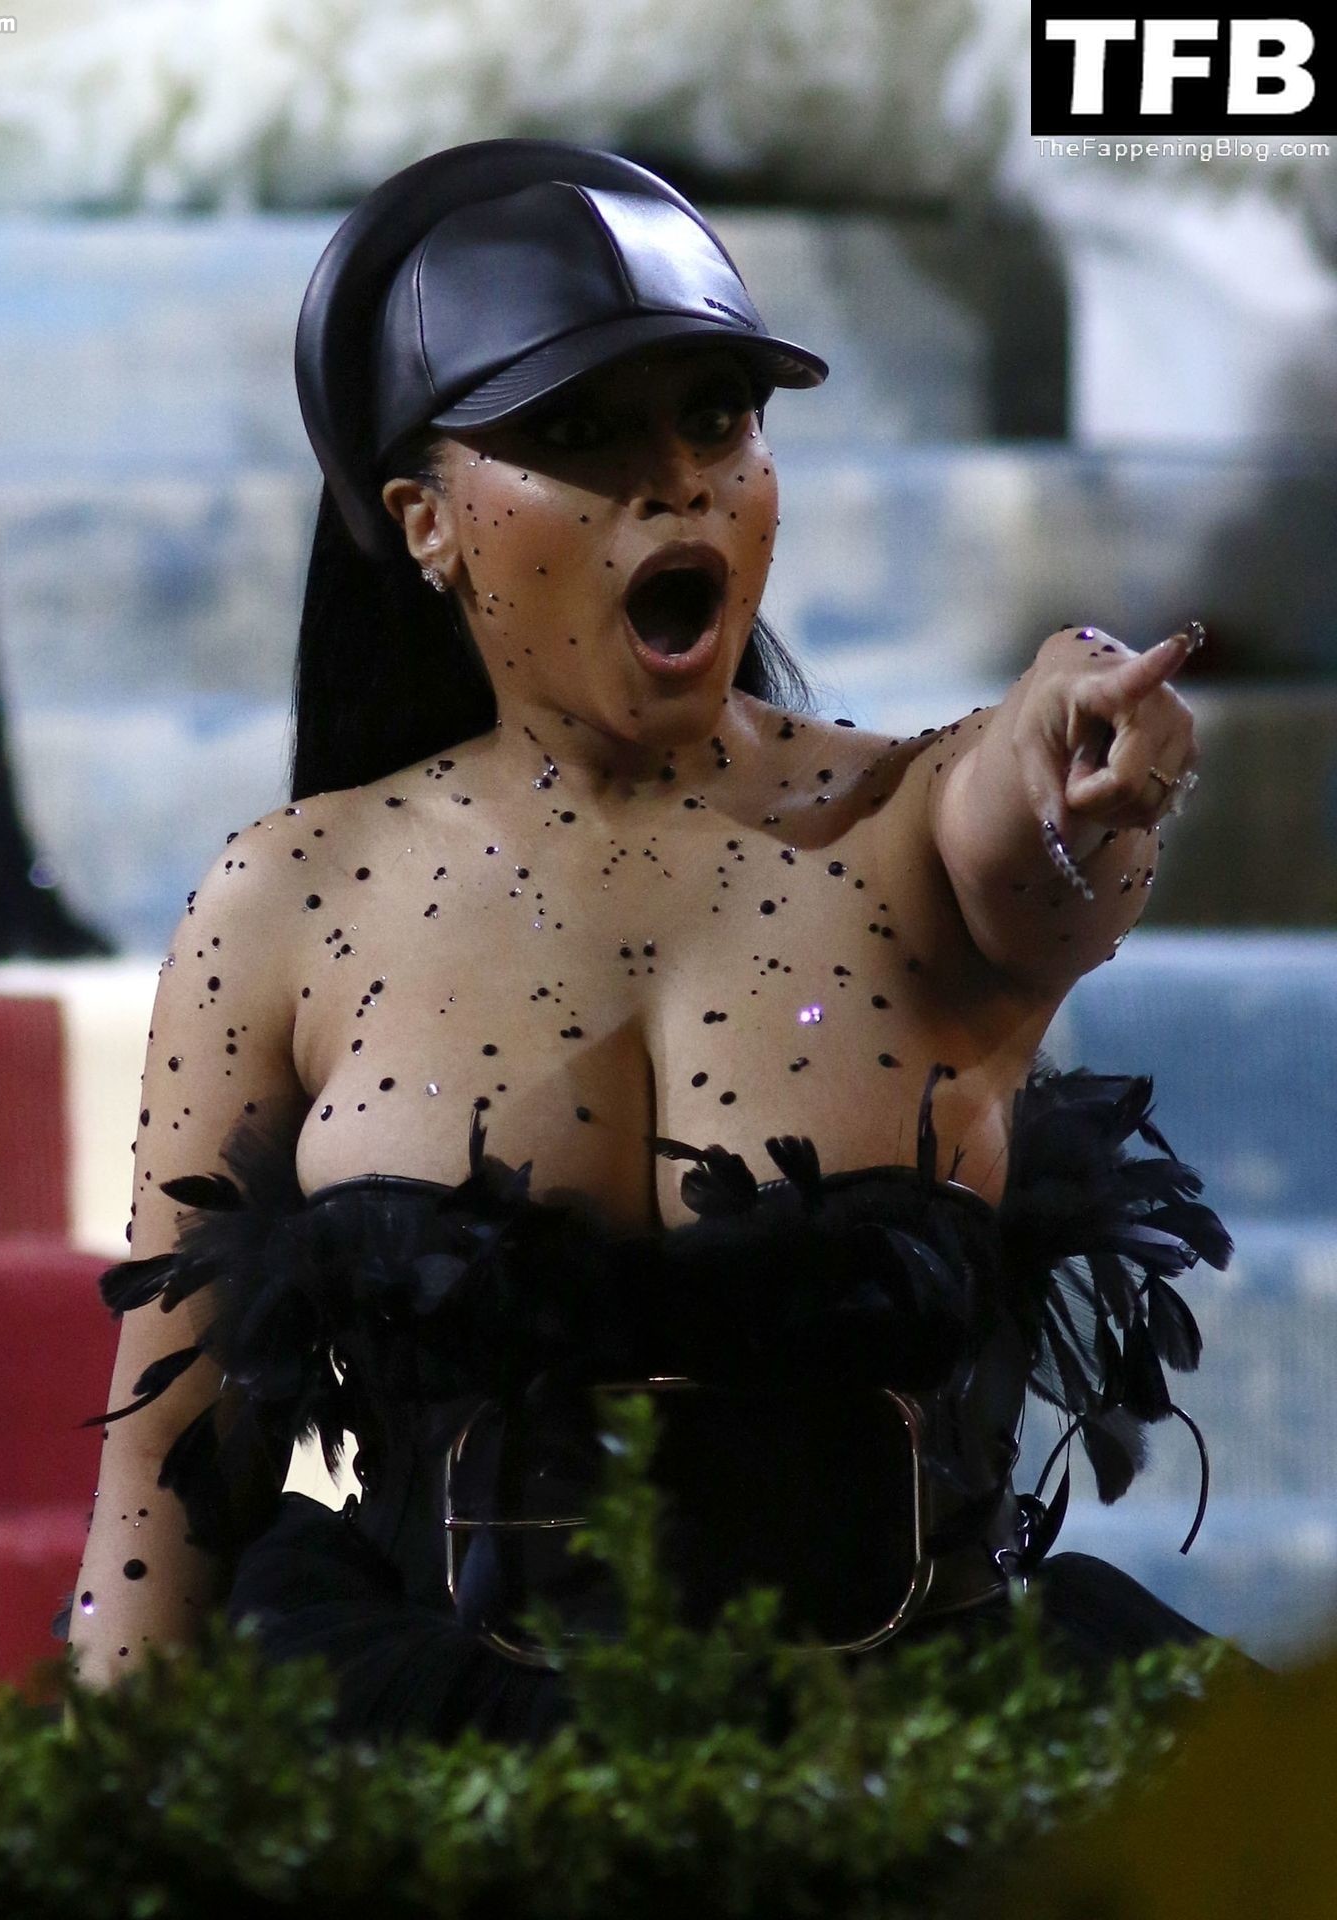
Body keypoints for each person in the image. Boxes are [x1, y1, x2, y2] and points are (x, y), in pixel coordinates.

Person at [66, 138, 1230, 1744]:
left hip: (913, 1769)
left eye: (717, 417)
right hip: (438, 1774)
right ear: (425, 521)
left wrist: (1083, 738)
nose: (675, 479)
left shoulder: (918, 826)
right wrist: (105, 1814)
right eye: (577, 433)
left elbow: (1036, 815)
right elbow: (170, 1469)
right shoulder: (286, 900)